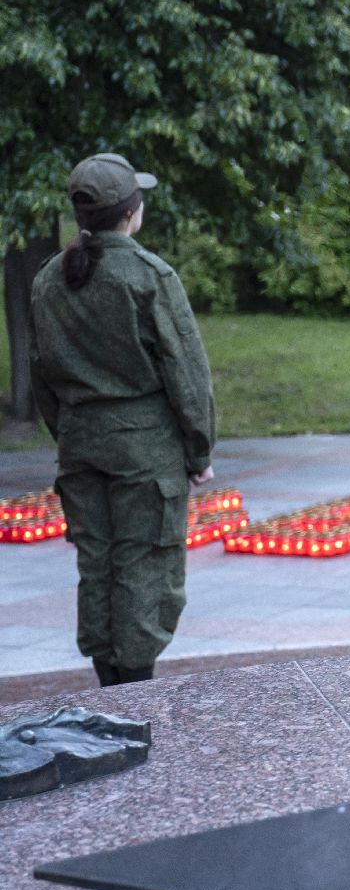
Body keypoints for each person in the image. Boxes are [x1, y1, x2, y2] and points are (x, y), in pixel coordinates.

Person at [28, 154, 216, 687]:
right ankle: (135, 692)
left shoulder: (48, 278)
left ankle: (111, 688)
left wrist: (68, 434)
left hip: (81, 445)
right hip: (144, 450)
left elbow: (41, 376)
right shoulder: (148, 276)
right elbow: (187, 373)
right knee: (144, 564)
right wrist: (198, 451)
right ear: (131, 212)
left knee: (98, 564)